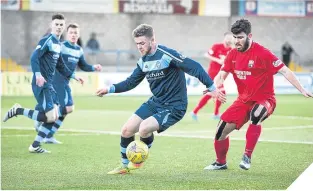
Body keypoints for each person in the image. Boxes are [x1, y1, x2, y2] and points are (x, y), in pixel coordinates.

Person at [96, 24, 226, 175]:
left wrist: (212, 87)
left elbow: (194, 66)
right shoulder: (143, 61)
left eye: (142, 43)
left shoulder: (166, 54)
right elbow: (131, 82)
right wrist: (109, 89)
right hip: (156, 102)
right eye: (137, 43)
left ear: (152, 40)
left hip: (175, 106)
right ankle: (125, 167)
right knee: (126, 130)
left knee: (144, 128)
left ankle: (138, 160)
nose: (139, 47)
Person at [204, 19, 313, 171]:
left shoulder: (263, 53)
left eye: (240, 37)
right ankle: (220, 162)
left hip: (265, 99)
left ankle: (247, 156)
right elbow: (221, 74)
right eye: (235, 37)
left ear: (250, 36)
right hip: (243, 100)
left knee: (256, 114)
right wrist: (216, 86)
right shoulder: (232, 54)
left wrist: (301, 89)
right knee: (220, 131)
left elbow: (285, 70)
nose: (237, 41)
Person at [2, 13, 84, 153]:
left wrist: (73, 76)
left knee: (53, 116)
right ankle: (18, 111)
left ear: (64, 27)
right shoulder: (46, 40)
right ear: (51, 25)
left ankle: (35, 146)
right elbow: (34, 57)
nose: (58, 27)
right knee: (51, 116)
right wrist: (38, 74)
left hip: (49, 84)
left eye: (61, 25)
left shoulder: (58, 44)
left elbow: (61, 66)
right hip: (41, 83)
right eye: (56, 24)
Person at [38, 23, 102, 144]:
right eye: (71, 32)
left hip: (65, 82)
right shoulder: (61, 46)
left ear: (78, 35)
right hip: (56, 81)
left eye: (75, 33)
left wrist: (94, 67)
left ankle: (46, 129)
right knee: (65, 108)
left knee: (68, 108)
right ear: (67, 34)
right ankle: (45, 125)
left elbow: (83, 65)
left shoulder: (79, 50)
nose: (73, 35)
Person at [191, 32, 233, 121]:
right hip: (213, 73)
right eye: (227, 38)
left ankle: (195, 112)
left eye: (231, 38)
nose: (229, 40)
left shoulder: (231, 50)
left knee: (212, 93)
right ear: (224, 38)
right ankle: (215, 114)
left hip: (221, 74)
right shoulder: (217, 46)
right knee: (221, 92)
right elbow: (207, 55)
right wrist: (218, 60)